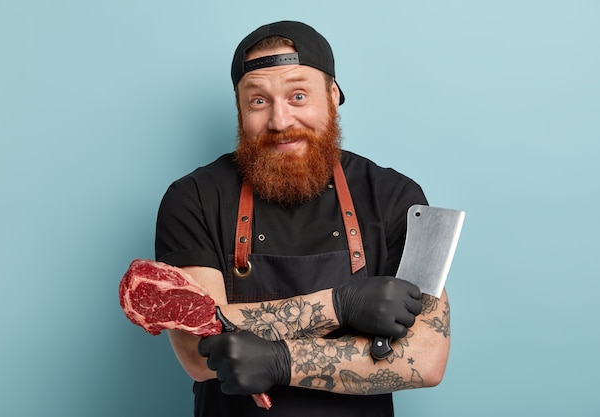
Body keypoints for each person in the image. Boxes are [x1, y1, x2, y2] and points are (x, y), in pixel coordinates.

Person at [155, 20, 450, 417]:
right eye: (258, 101)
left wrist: (279, 360)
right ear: (240, 109)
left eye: (298, 96)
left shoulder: (397, 197)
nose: (280, 121)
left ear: (332, 95)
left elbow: (426, 358)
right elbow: (197, 349)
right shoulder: (193, 198)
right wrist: (340, 306)